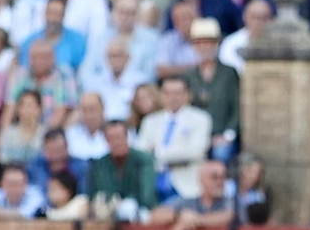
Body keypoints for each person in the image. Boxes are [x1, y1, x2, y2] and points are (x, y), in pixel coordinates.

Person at [136, 73, 212, 203]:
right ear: (161, 95)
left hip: (186, 185)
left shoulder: (200, 118)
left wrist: (157, 152)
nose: (173, 98)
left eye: (177, 93)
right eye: (168, 93)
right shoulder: (150, 121)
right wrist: (176, 154)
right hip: (153, 182)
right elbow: (140, 153)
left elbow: (195, 152)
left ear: (188, 95)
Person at [183, 18, 239, 160]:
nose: (204, 47)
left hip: (221, 134)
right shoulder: (189, 75)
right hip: (195, 136)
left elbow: (238, 106)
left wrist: (227, 135)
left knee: (221, 153)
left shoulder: (228, 73)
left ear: (216, 44)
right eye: (199, 43)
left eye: (209, 42)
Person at [85, 116, 157, 219]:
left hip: (141, 211)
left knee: (128, 208)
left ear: (127, 137)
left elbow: (147, 195)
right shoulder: (100, 164)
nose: (116, 142)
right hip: (108, 213)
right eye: (111, 138)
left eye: (119, 137)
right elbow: (95, 193)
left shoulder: (143, 160)